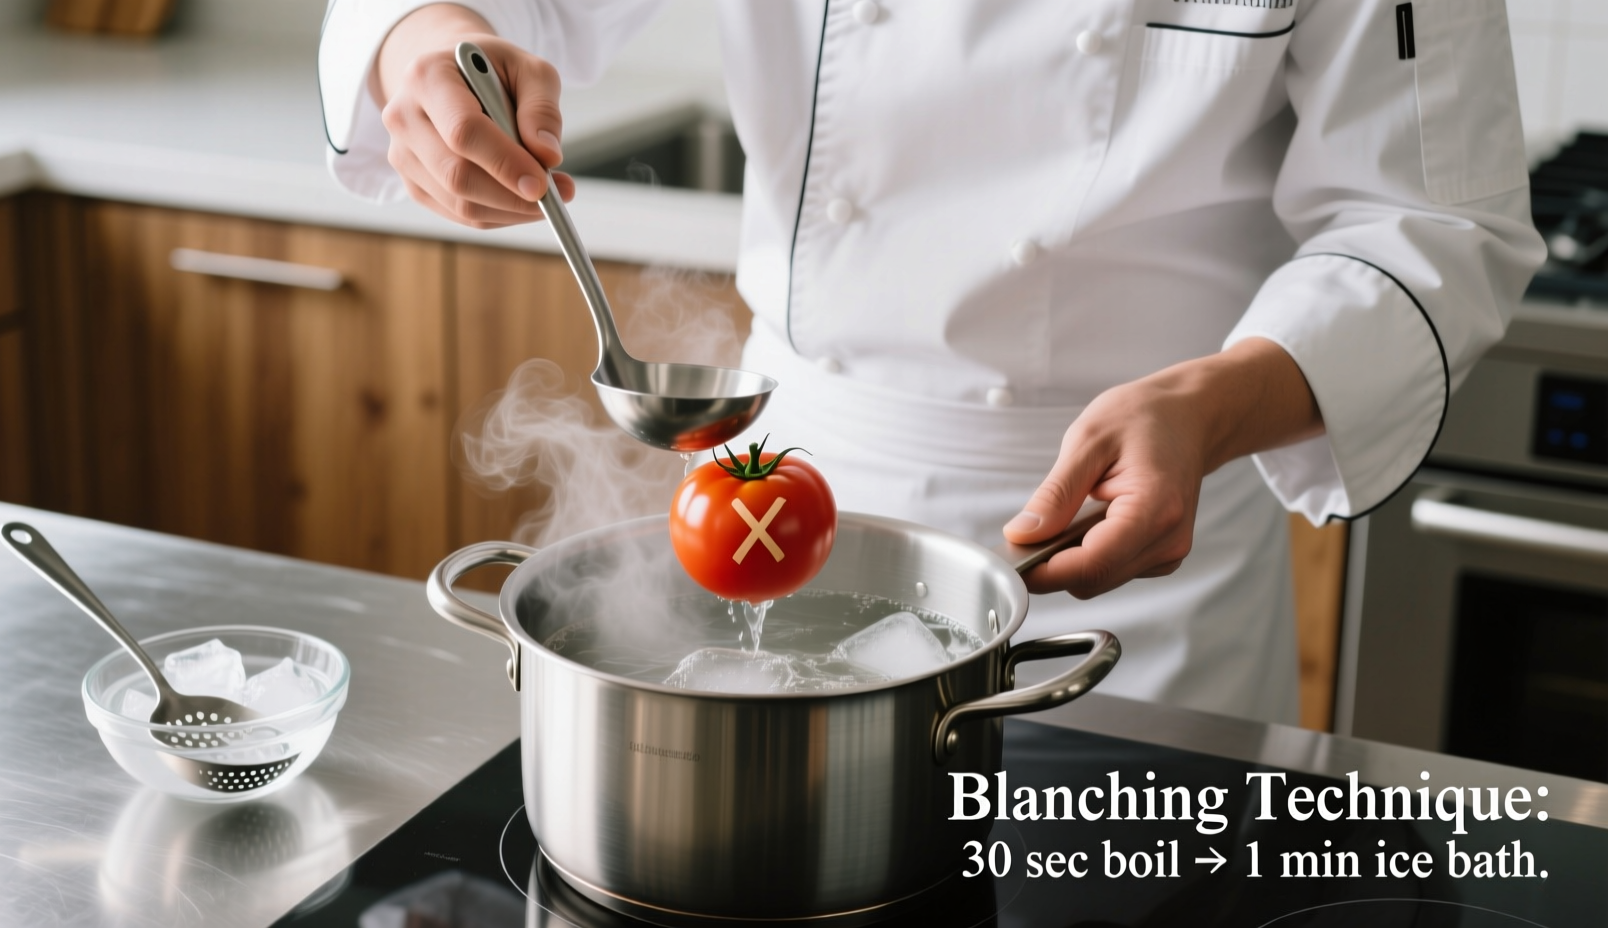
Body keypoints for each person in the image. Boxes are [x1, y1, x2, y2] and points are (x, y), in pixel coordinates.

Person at [318, 1, 1543, 724]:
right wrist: (426, 40)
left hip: (1129, 562)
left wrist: (1211, 406)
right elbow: (439, 13)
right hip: (781, 500)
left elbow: (1433, 222)